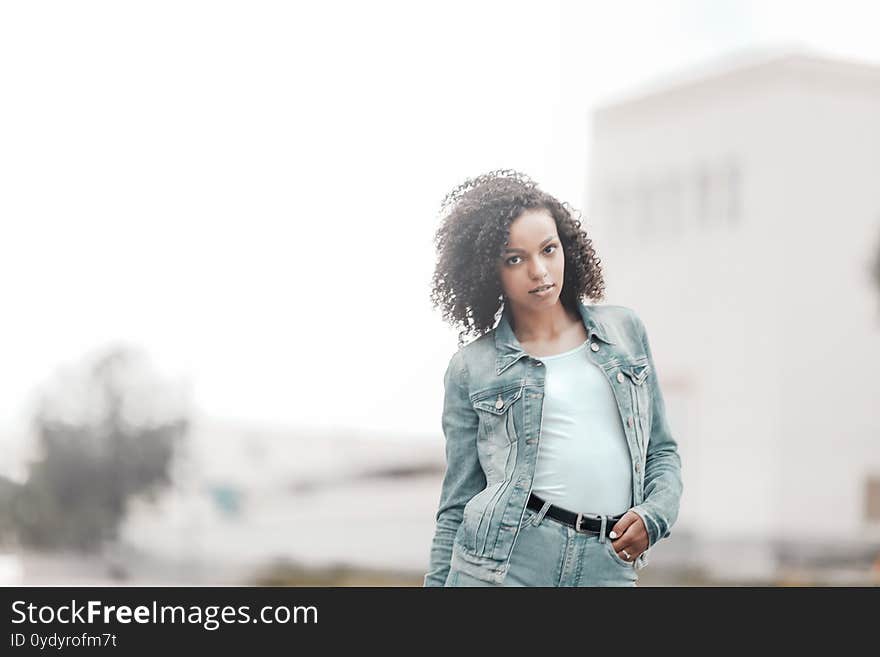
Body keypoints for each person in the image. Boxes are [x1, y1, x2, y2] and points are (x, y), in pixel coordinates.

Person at [423, 169, 683, 587]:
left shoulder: (625, 331)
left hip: (608, 564)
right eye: (515, 259)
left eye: (548, 250)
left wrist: (656, 516)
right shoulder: (472, 367)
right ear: (488, 270)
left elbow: (662, 451)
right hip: (504, 565)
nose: (539, 271)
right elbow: (456, 502)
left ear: (567, 248)